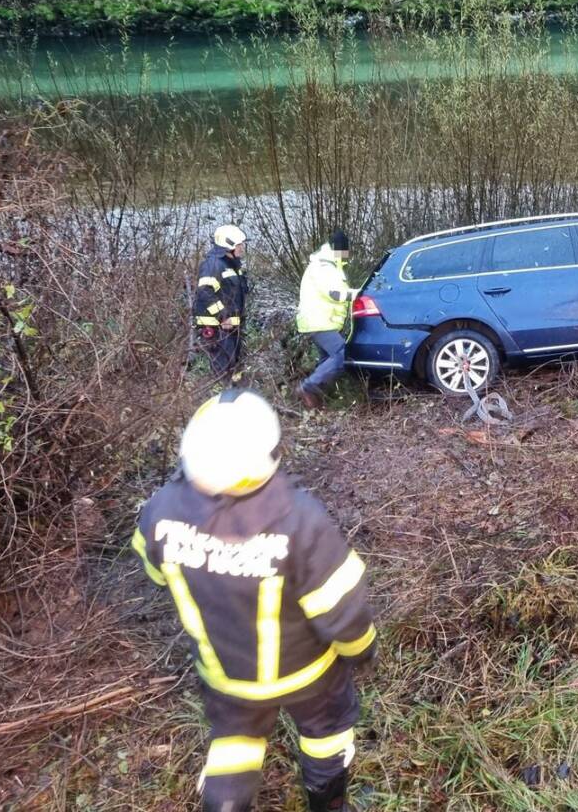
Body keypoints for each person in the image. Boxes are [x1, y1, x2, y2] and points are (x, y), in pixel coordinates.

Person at [132, 389, 375, 812]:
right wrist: (362, 652)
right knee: (326, 734)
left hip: (226, 675)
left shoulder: (159, 511)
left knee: (234, 743)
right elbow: (343, 608)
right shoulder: (299, 520)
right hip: (309, 676)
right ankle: (328, 805)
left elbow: (155, 573)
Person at [296, 229, 358, 409]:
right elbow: (334, 293)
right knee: (342, 355)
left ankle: (315, 402)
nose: (348, 254)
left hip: (322, 321)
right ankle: (308, 387)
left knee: (326, 362)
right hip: (319, 321)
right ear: (340, 249)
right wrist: (359, 294)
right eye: (346, 250)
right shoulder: (324, 267)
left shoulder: (328, 265)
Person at [192, 225, 250, 385]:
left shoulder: (232, 265)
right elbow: (204, 293)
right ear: (228, 245)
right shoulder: (213, 265)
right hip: (218, 329)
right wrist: (222, 316)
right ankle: (221, 400)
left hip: (231, 328)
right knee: (222, 372)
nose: (242, 248)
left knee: (234, 369)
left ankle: (234, 397)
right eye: (239, 245)